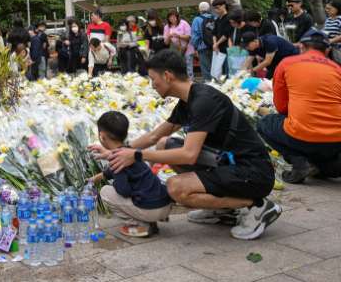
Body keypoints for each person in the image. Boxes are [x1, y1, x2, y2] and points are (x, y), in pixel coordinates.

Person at [91, 49, 280, 240]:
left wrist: (138, 155)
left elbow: (189, 154)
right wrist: (116, 151)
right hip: (227, 163)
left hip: (253, 172)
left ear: (167, 76)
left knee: (176, 188)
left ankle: (256, 206)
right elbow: (155, 136)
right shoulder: (187, 101)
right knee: (165, 144)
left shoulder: (204, 101)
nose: (152, 85)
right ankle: (224, 210)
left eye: (153, 79)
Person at [257, 30, 341, 183]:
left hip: (301, 135)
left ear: (301, 47)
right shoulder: (337, 69)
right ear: (327, 50)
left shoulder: (287, 63)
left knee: (265, 123)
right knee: (328, 162)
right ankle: (326, 166)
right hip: (336, 140)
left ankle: (299, 162)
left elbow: (281, 106)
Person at [90, 111, 172, 238]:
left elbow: (124, 191)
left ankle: (139, 225)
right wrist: (97, 177)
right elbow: (113, 170)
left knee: (106, 192)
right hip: (164, 204)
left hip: (151, 209)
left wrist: (116, 182)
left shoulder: (116, 160)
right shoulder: (130, 153)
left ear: (101, 136)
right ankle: (149, 223)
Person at [191, 2, 215, 81]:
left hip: (202, 47)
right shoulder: (214, 18)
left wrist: (195, 47)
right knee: (216, 69)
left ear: (199, 9)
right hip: (215, 47)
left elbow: (194, 36)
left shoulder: (197, 19)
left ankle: (209, 86)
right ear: (208, 8)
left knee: (205, 70)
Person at [164, 11, 193, 78]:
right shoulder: (167, 27)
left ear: (177, 17)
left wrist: (178, 36)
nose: (172, 19)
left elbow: (189, 36)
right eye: (170, 17)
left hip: (187, 49)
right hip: (175, 51)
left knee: (188, 68)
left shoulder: (184, 23)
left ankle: (190, 82)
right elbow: (166, 42)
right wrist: (169, 36)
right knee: (177, 68)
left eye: (174, 17)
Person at [211, 0, 232, 77]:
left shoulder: (229, 17)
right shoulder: (217, 20)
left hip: (227, 48)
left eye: (218, 8)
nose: (216, 10)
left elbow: (227, 34)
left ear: (223, 6)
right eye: (215, 9)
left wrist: (216, 44)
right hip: (218, 49)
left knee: (228, 71)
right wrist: (215, 44)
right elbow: (214, 33)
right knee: (217, 72)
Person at [322, 0, 341, 64]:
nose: (327, 10)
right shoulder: (328, 20)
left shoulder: (339, 19)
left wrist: (331, 40)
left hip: (338, 50)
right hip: (328, 49)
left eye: (329, 8)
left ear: (337, 8)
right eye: (326, 8)